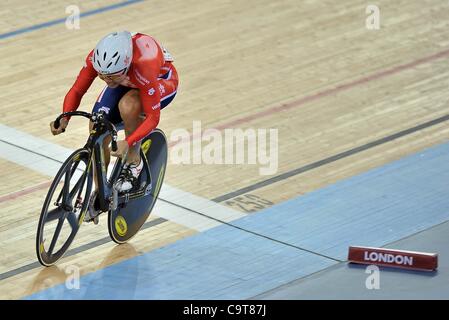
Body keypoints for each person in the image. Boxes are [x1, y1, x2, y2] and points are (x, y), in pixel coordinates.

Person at [49, 31, 179, 222]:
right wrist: (65, 116)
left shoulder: (144, 64)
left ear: (126, 65)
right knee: (97, 124)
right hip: (127, 80)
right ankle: (102, 192)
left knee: (128, 106)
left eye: (111, 76)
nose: (106, 80)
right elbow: (77, 89)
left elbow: (153, 117)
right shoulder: (98, 60)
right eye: (102, 76)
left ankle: (135, 162)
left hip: (161, 82)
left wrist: (130, 141)